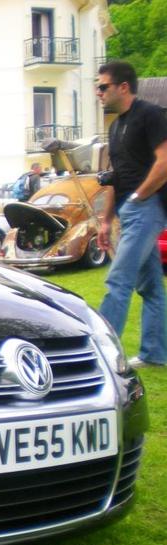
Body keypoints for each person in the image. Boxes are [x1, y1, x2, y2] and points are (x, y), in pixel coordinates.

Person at [96, 60, 167, 368]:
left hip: (147, 207)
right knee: (151, 287)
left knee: (118, 279)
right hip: (129, 210)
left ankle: (101, 355)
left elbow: (164, 161)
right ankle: (155, 354)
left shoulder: (150, 115)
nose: (98, 93)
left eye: (103, 86)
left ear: (123, 87)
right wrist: (106, 220)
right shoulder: (115, 127)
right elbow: (116, 177)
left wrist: (139, 197)